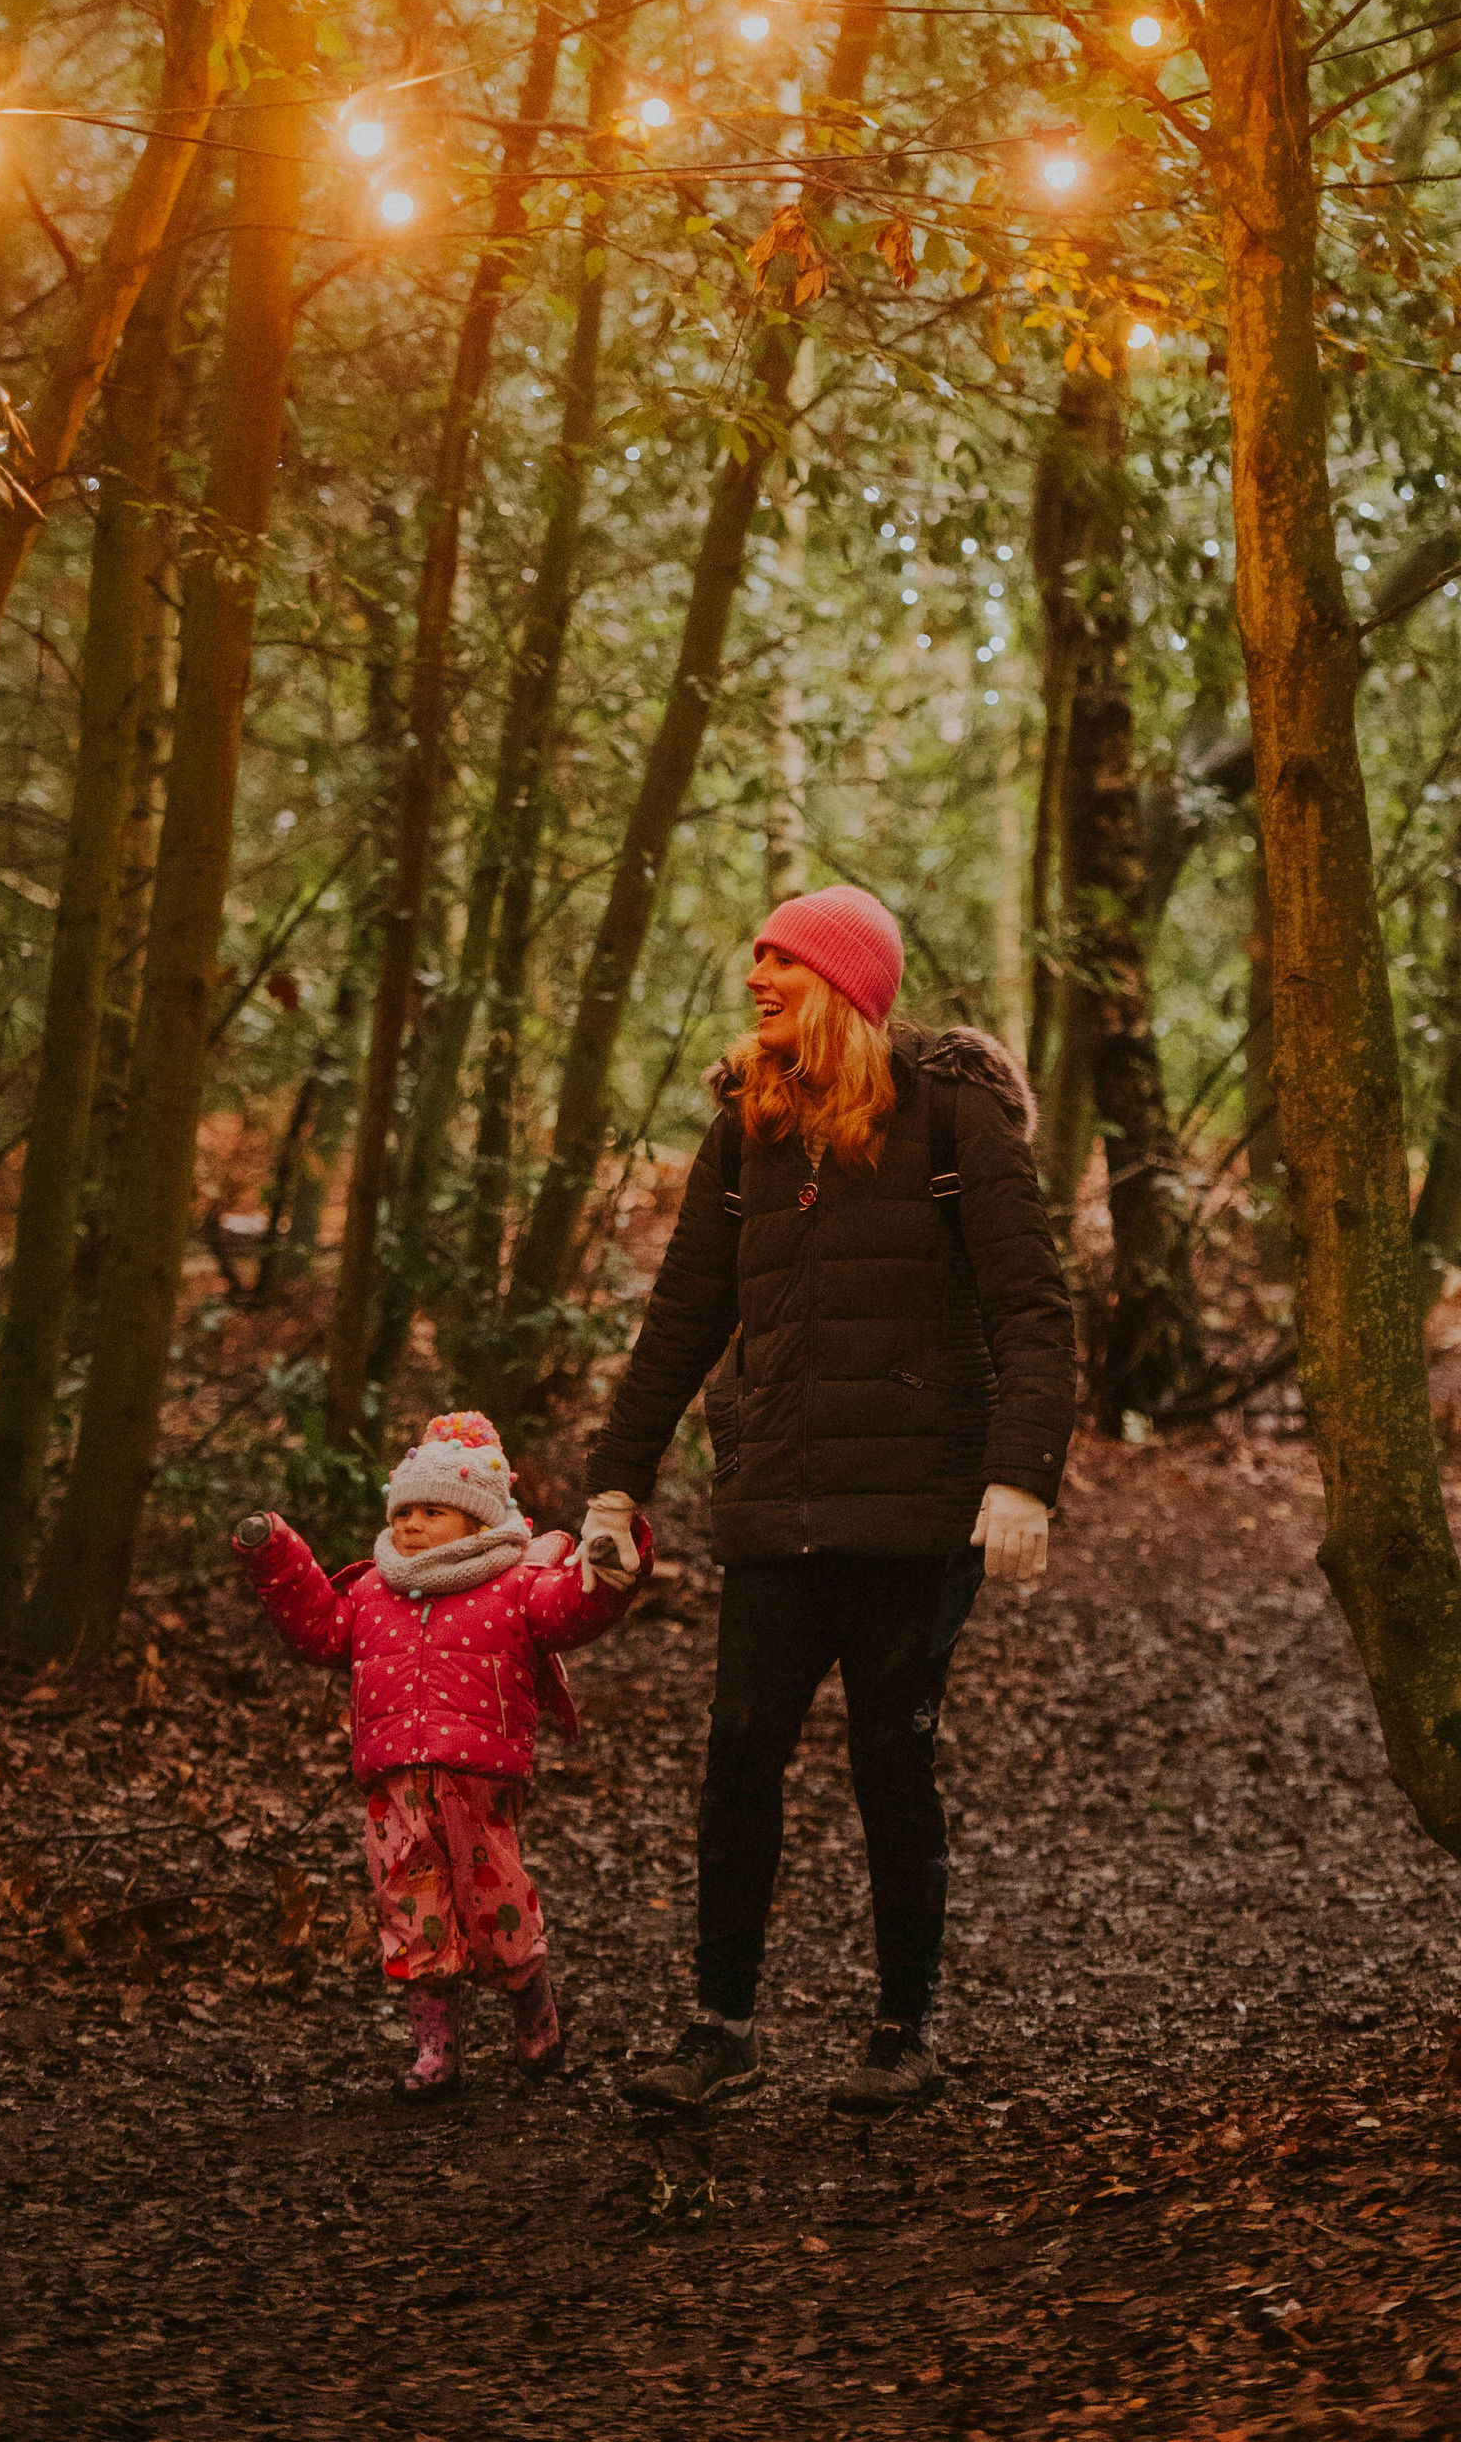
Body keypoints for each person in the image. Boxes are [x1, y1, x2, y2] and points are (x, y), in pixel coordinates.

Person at [580, 882, 1075, 2115]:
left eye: (782, 964)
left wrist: (1019, 1478)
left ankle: (903, 2030)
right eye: (754, 959)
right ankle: (719, 2029)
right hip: (778, 1500)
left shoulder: (951, 1111)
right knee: (738, 1753)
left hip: (915, 1505)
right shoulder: (743, 1128)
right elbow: (683, 1317)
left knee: (887, 1761)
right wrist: (610, 1483)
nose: (755, 980)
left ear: (846, 986)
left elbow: (1031, 1308)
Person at [233, 1410, 650, 2097]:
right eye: (405, 1511)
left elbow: (578, 1610)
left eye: (434, 1510)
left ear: (480, 1524)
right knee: (411, 1909)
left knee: (499, 1907)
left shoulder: (517, 1586)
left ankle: (533, 2016)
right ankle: (435, 2048)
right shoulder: (372, 1593)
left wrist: (612, 1559)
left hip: (478, 1780)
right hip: (393, 1782)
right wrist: (276, 1556)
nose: (412, 1525)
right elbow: (318, 1629)